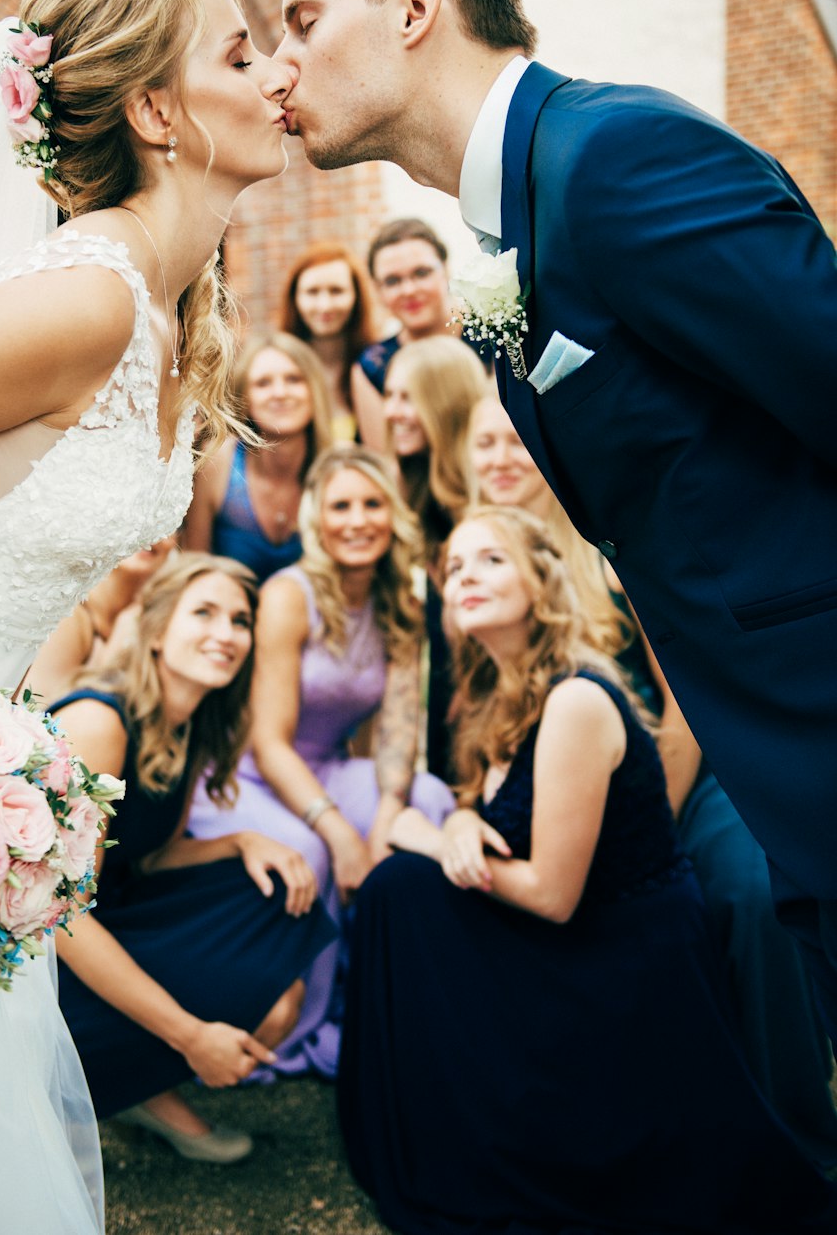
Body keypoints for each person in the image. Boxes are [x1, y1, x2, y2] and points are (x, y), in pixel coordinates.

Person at [274, 0, 837, 1033]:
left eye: (303, 21)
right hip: (776, 754)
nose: (282, 70)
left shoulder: (612, 158)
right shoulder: (513, 220)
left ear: (415, 2)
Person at [0, 0, 293, 1234]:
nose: (277, 78)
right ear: (157, 112)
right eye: (241, 55)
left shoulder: (161, 308)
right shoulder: (76, 303)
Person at [337, 506, 837, 1235]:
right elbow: (495, 822)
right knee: (398, 893)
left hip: (623, 968)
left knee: (400, 889)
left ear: (541, 582)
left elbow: (549, 895)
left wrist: (423, 835)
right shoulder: (496, 693)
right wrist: (458, 822)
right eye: (456, 568)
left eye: (491, 561)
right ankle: (434, 1121)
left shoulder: (574, 698)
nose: (466, 577)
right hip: (575, 938)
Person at [468, 388, 837, 1166]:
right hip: (545, 800)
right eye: (483, 444)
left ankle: (799, 1137)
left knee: (747, 893)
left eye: (513, 440)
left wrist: (649, 826)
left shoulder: (613, 548)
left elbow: (677, 705)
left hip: (683, 774)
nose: (502, 458)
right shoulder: (463, 560)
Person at [52, 554, 334, 1161]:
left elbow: (147, 856)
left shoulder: (191, 724)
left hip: (117, 906)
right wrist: (193, 1034)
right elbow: (64, 915)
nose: (225, 633)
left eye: (239, 620)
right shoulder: (101, 721)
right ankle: (117, 1074)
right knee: (257, 979)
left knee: (277, 914)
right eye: (203, 612)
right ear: (155, 630)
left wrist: (240, 842)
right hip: (50, 949)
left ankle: (130, 1082)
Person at [186, 444, 454, 1076]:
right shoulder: (288, 594)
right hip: (245, 775)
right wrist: (340, 833)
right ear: (317, 518)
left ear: (393, 515)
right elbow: (269, 741)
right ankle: (302, 1023)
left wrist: (387, 817)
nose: (357, 520)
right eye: (340, 506)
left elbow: (397, 731)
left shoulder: (401, 602)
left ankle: (395, 995)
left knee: (430, 799)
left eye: (371, 504)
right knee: (309, 850)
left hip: (327, 768)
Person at [384, 335, 486, 780]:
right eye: (389, 396)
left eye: (408, 398)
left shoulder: (489, 498)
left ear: (444, 402)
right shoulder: (414, 492)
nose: (391, 413)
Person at [182, 330, 332, 582]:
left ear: (314, 390)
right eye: (263, 383)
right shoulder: (219, 460)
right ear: (245, 398)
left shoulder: (336, 469)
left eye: (294, 379)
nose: (280, 392)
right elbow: (194, 567)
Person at [353, 217, 478, 448]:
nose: (409, 290)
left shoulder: (492, 337)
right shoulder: (371, 367)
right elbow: (385, 464)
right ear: (377, 290)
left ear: (446, 270)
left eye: (421, 273)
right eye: (392, 281)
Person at [26, 537, 176, 707]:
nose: (153, 536)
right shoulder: (70, 618)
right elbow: (36, 711)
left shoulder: (157, 621)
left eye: (170, 527)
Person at [277, 240, 375, 441]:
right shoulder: (276, 371)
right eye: (312, 292)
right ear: (295, 298)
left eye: (336, 291)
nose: (324, 305)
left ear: (356, 296)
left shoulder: (375, 366)